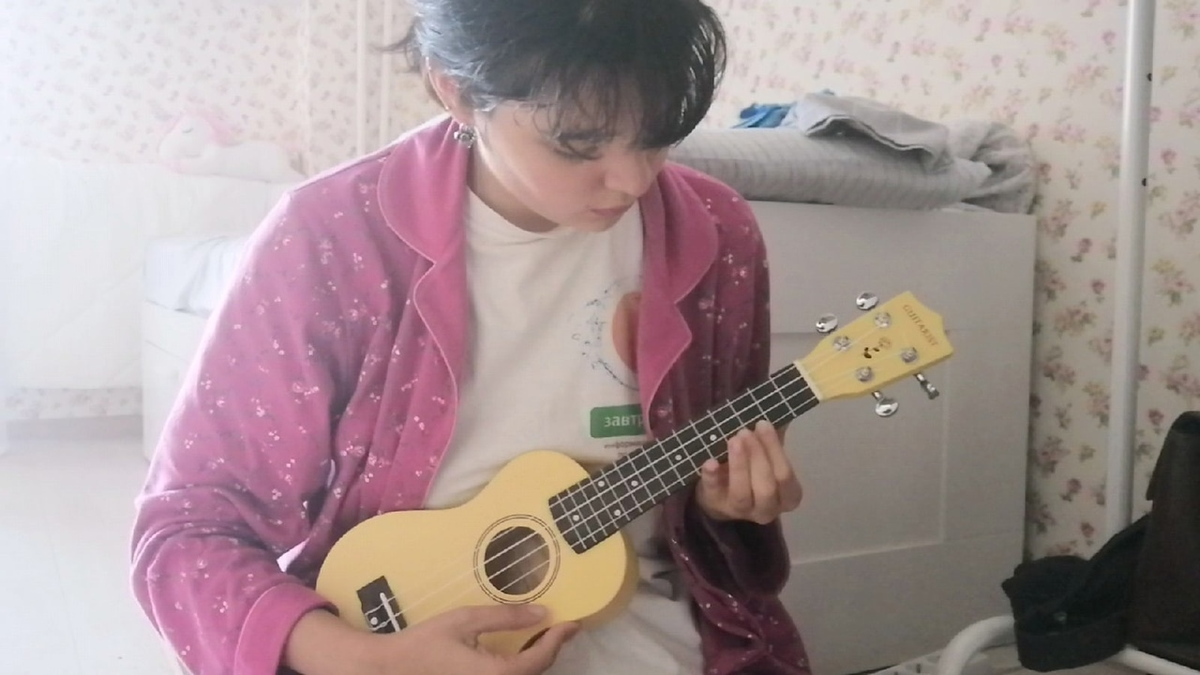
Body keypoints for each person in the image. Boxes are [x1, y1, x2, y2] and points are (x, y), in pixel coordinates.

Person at [129, 1, 812, 673]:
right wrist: (367, 661)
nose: (633, 179)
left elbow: (711, 517)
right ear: (456, 91)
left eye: (658, 136)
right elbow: (188, 528)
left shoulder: (715, 232)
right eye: (578, 144)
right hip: (394, 631)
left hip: (649, 623)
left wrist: (726, 504)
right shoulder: (331, 237)